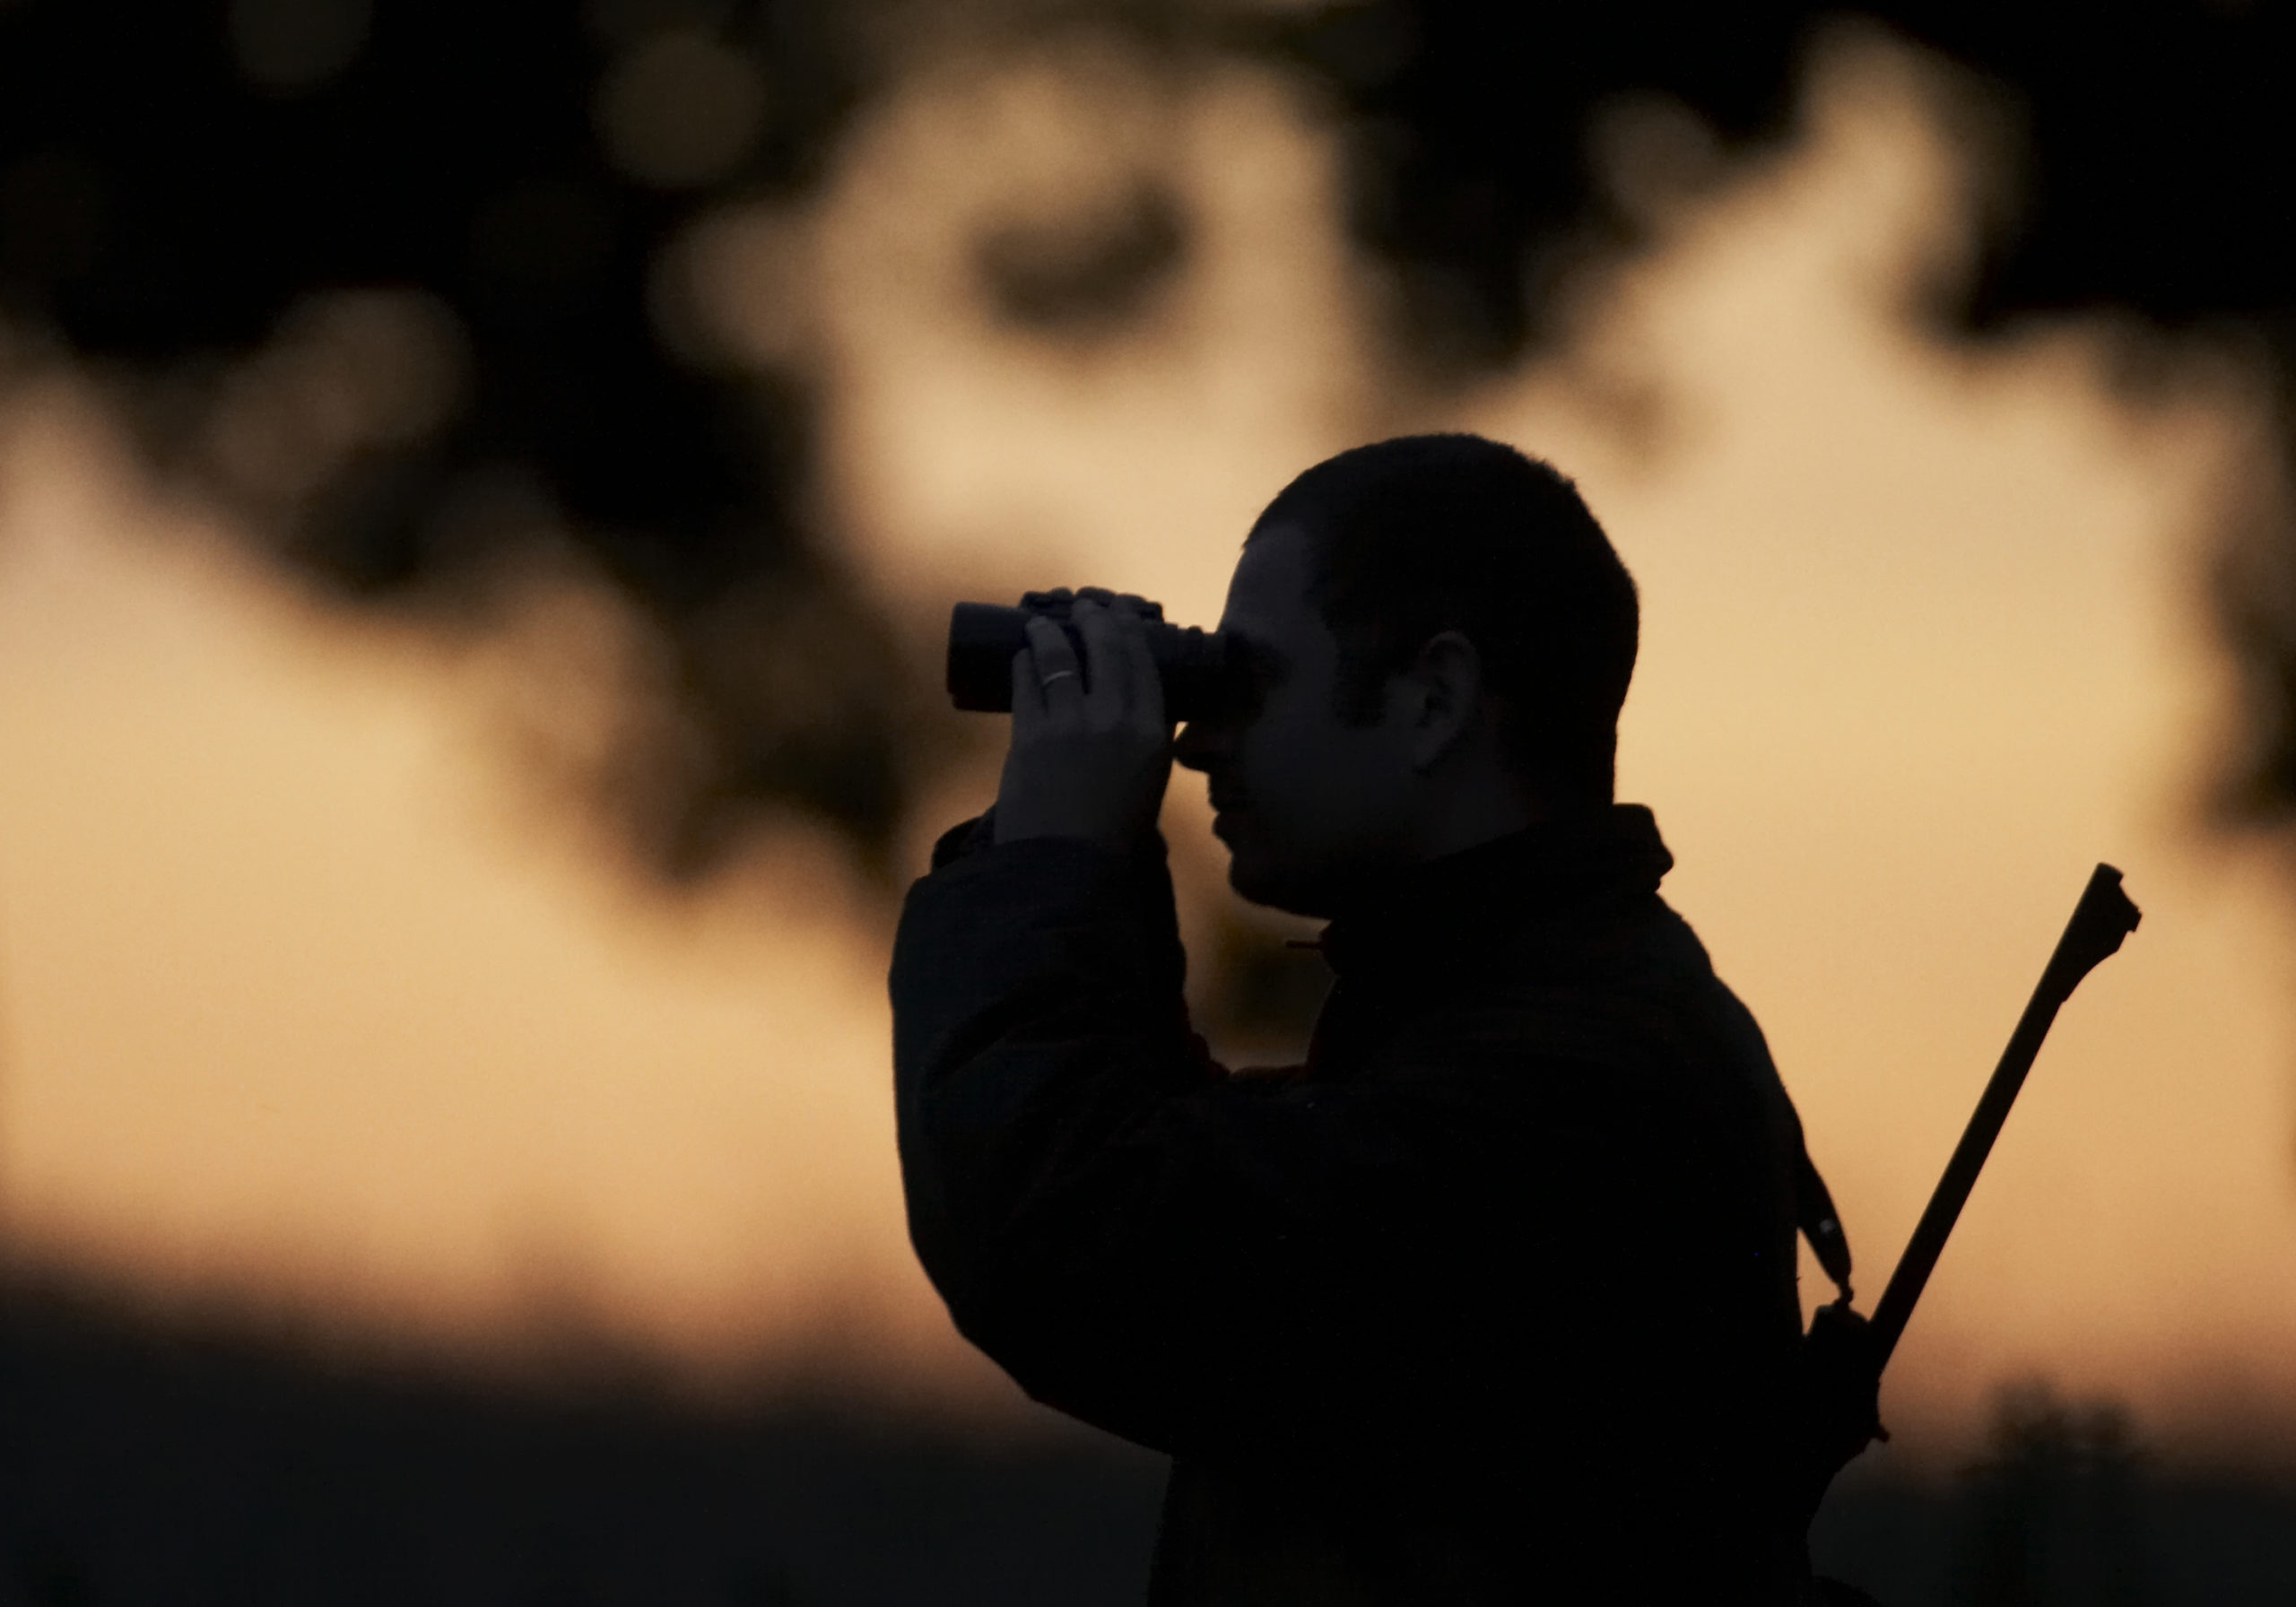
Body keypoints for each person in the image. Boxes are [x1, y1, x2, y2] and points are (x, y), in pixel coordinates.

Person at [890, 434, 1827, 1604]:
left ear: (1433, 699)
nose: (1199, 737)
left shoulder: (1580, 1090)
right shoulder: (1519, 1027)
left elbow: (1077, 1244)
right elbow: (1185, 1171)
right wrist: (1094, 875)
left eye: (1249, 680)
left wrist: (1048, 861)